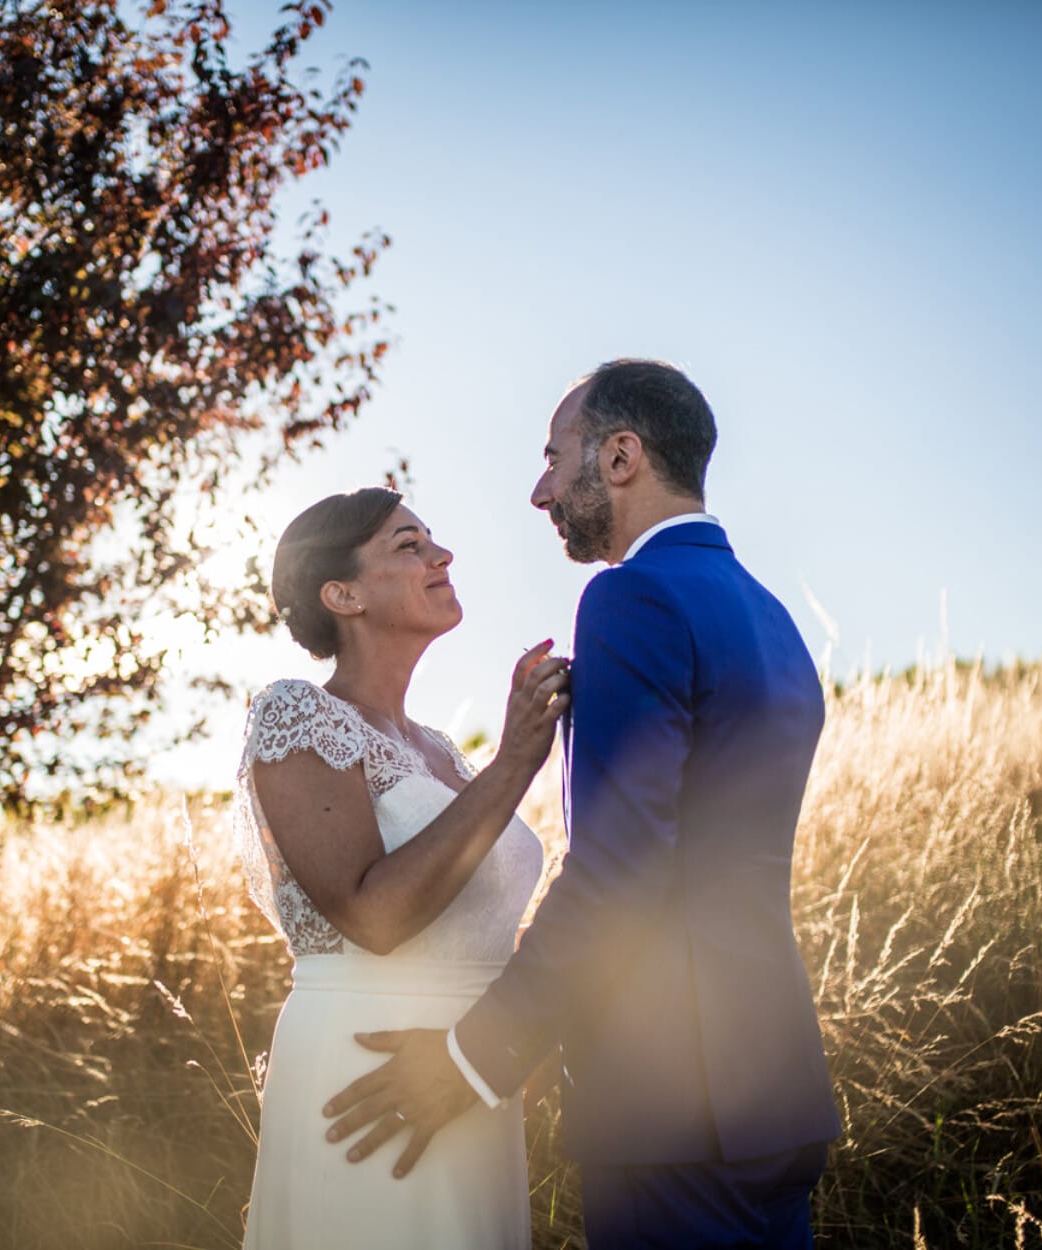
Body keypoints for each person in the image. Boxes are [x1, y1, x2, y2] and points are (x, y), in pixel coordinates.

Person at [322, 360, 841, 1248]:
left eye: (556, 457)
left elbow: (618, 872)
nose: (539, 490)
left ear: (622, 457)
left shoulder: (631, 597)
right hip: (776, 1094)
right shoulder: (769, 616)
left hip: (669, 1104)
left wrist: (468, 1061)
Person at [233, 485, 568, 1249]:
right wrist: (516, 760)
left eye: (433, 540)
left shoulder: (441, 753)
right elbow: (373, 915)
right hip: (369, 1076)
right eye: (408, 545)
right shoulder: (297, 713)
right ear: (342, 594)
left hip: (472, 1073)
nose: (441, 555)